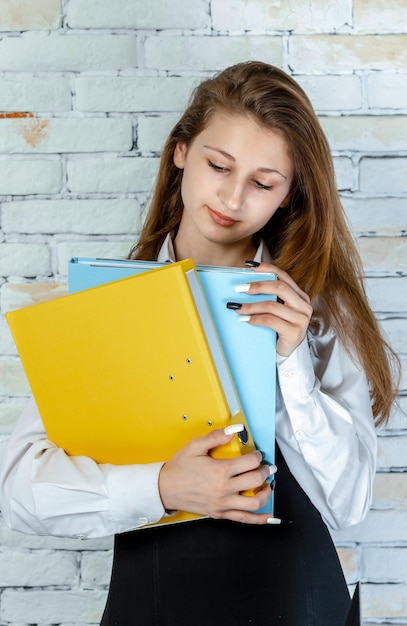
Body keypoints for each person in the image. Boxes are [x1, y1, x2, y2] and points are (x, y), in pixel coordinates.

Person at [0, 61, 399, 626]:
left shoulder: (316, 309)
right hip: (153, 602)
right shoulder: (106, 304)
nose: (233, 199)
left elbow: (350, 505)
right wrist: (162, 486)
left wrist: (291, 369)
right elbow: (20, 492)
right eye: (219, 165)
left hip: (296, 605)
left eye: (263, 183)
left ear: (288, 196)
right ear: (180, 152)